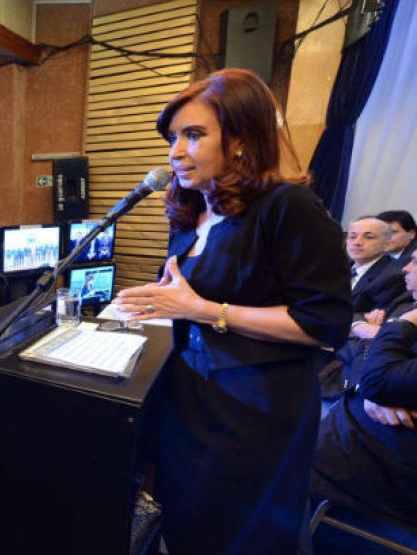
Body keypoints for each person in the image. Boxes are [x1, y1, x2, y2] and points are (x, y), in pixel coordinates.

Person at [113, 69, 352, 553]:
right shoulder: (189, 209)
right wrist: (155, 300)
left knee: (241, 537)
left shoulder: (289, 206)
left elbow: (324, 323)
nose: (175, 151)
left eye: (194, 135)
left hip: (256, 415)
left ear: (242, 139)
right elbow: (183, 294)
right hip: (189, 400)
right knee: (187, 525)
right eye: (173, 137)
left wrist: (203, 309)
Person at [311, 249, 417, 525]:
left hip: (379, 469)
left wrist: (402, 324)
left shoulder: (410, 316)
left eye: (415, 262)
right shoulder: (408, 303)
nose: (405, 269)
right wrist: (367, 388)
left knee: (260, 464)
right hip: (353, 436)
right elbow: (361, 352)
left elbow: (377, 377)